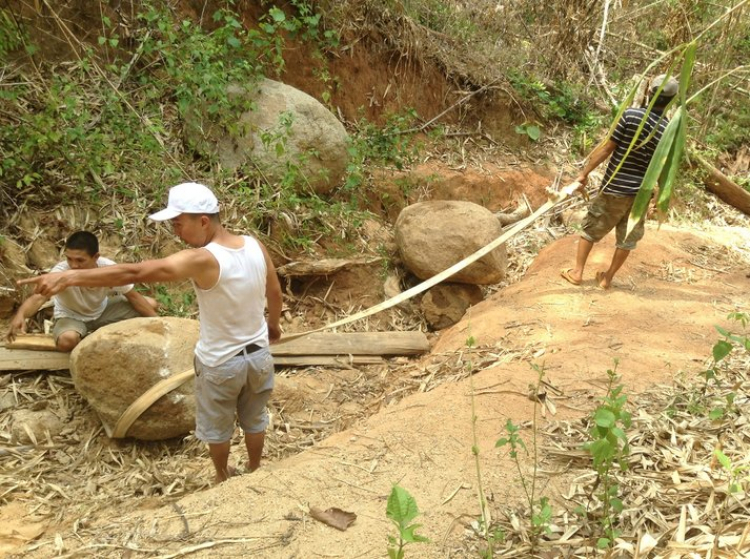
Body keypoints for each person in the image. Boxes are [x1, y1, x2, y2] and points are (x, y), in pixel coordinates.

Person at [19, 182, 283, 484]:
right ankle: (254, 470)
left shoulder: (203, 259)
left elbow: (135, 272)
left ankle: (223, 479)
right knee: (254, 418)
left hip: (221, 363)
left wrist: (68, 276)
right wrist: (273, 326)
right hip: (259, 356)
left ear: (204, 221)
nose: (176, 231)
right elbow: (274, 293)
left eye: (179, 223)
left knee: (217, 427)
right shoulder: (254, 245)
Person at [561, 74, 679, 289]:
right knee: (627, 238)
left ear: (649, 93)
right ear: (671, 101)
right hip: (640, 196)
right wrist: (660, 197)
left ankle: (577, 273)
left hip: (615, 188)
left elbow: (607, 148)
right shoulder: (667, 131)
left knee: (591, 228)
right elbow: (664, 168)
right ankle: (607, 279)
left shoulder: (631, 115)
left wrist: (584, 173)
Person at [7, 231, 158, 351]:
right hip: (71, 316)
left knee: (150, 304)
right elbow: (38, 298)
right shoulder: (60, 272)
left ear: (96, 257)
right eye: (69, 259)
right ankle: (86, 341)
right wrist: (21, 315)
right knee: (67, 341)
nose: (74, 265)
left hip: (103, 311)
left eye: (80, 260)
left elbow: (134, 297)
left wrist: (161, 324)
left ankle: (97, 333)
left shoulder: (109, 269)